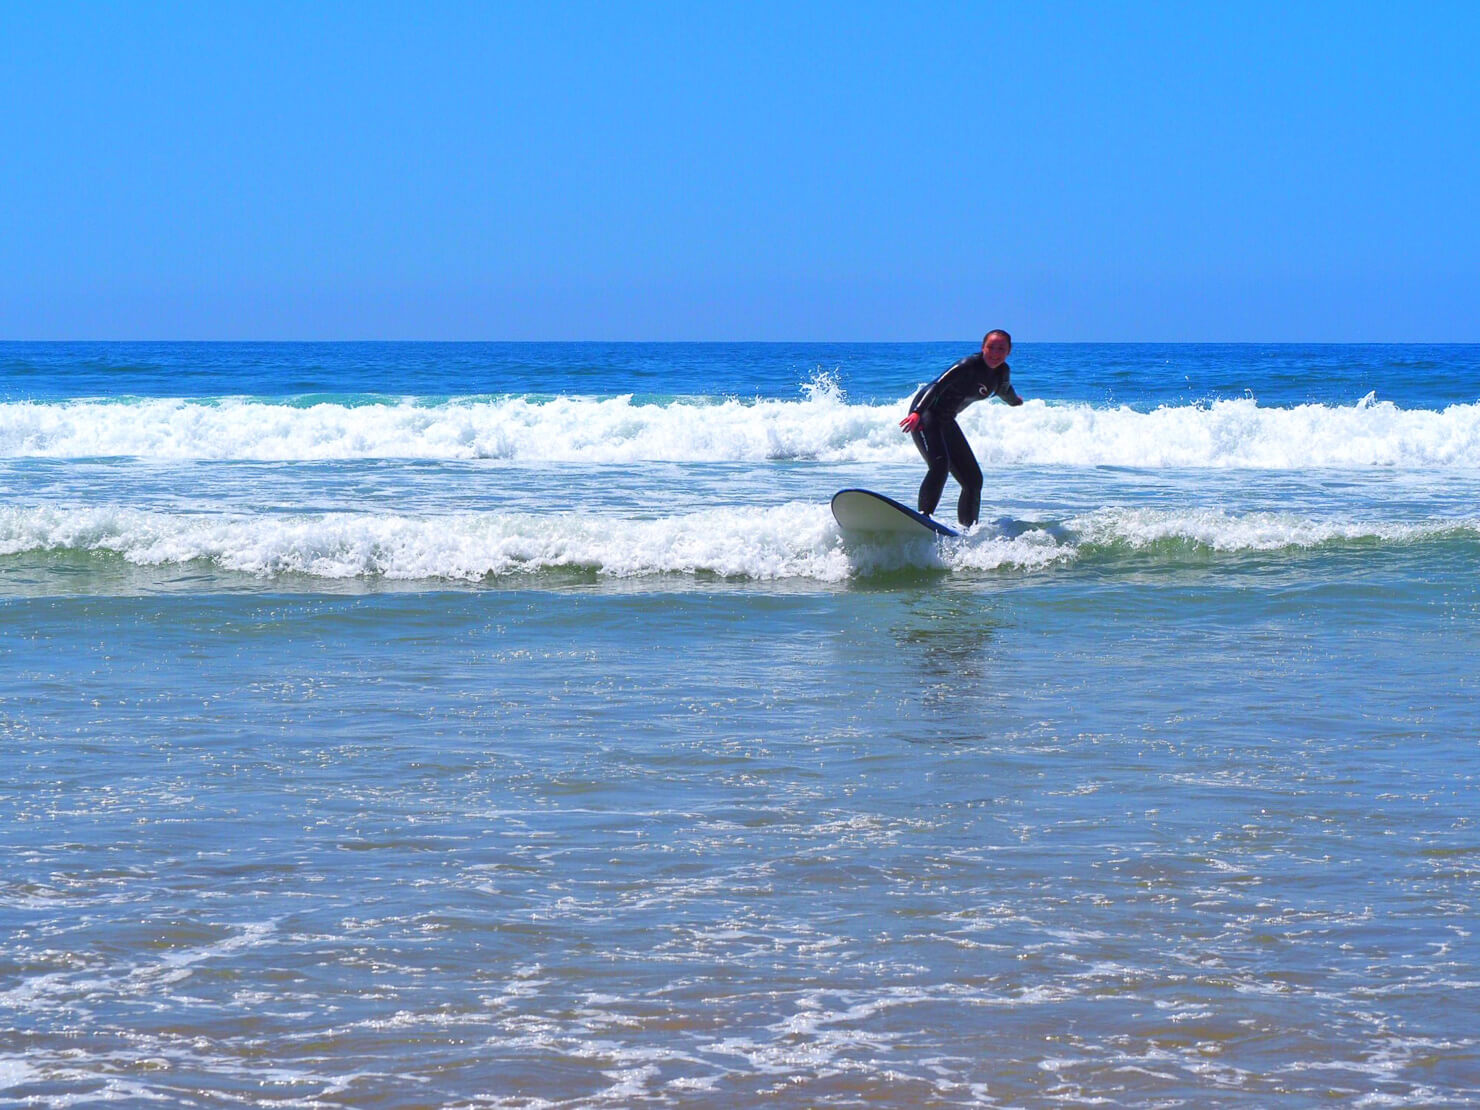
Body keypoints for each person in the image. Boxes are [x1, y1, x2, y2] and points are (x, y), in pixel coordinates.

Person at [898, 330, 1023, 528]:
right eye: (991, 347)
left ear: (1009, 351)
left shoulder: (1001, 374)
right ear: (983, 348)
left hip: (946, 420)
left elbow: (1006, 391)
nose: (995, 353)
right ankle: (923, 519)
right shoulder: (968, 366)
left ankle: (968, 531)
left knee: (973, 481)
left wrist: (1015, 402)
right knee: (940, 466)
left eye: (1001, 349)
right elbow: (937, 385)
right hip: (927, 413)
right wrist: (916, 412)